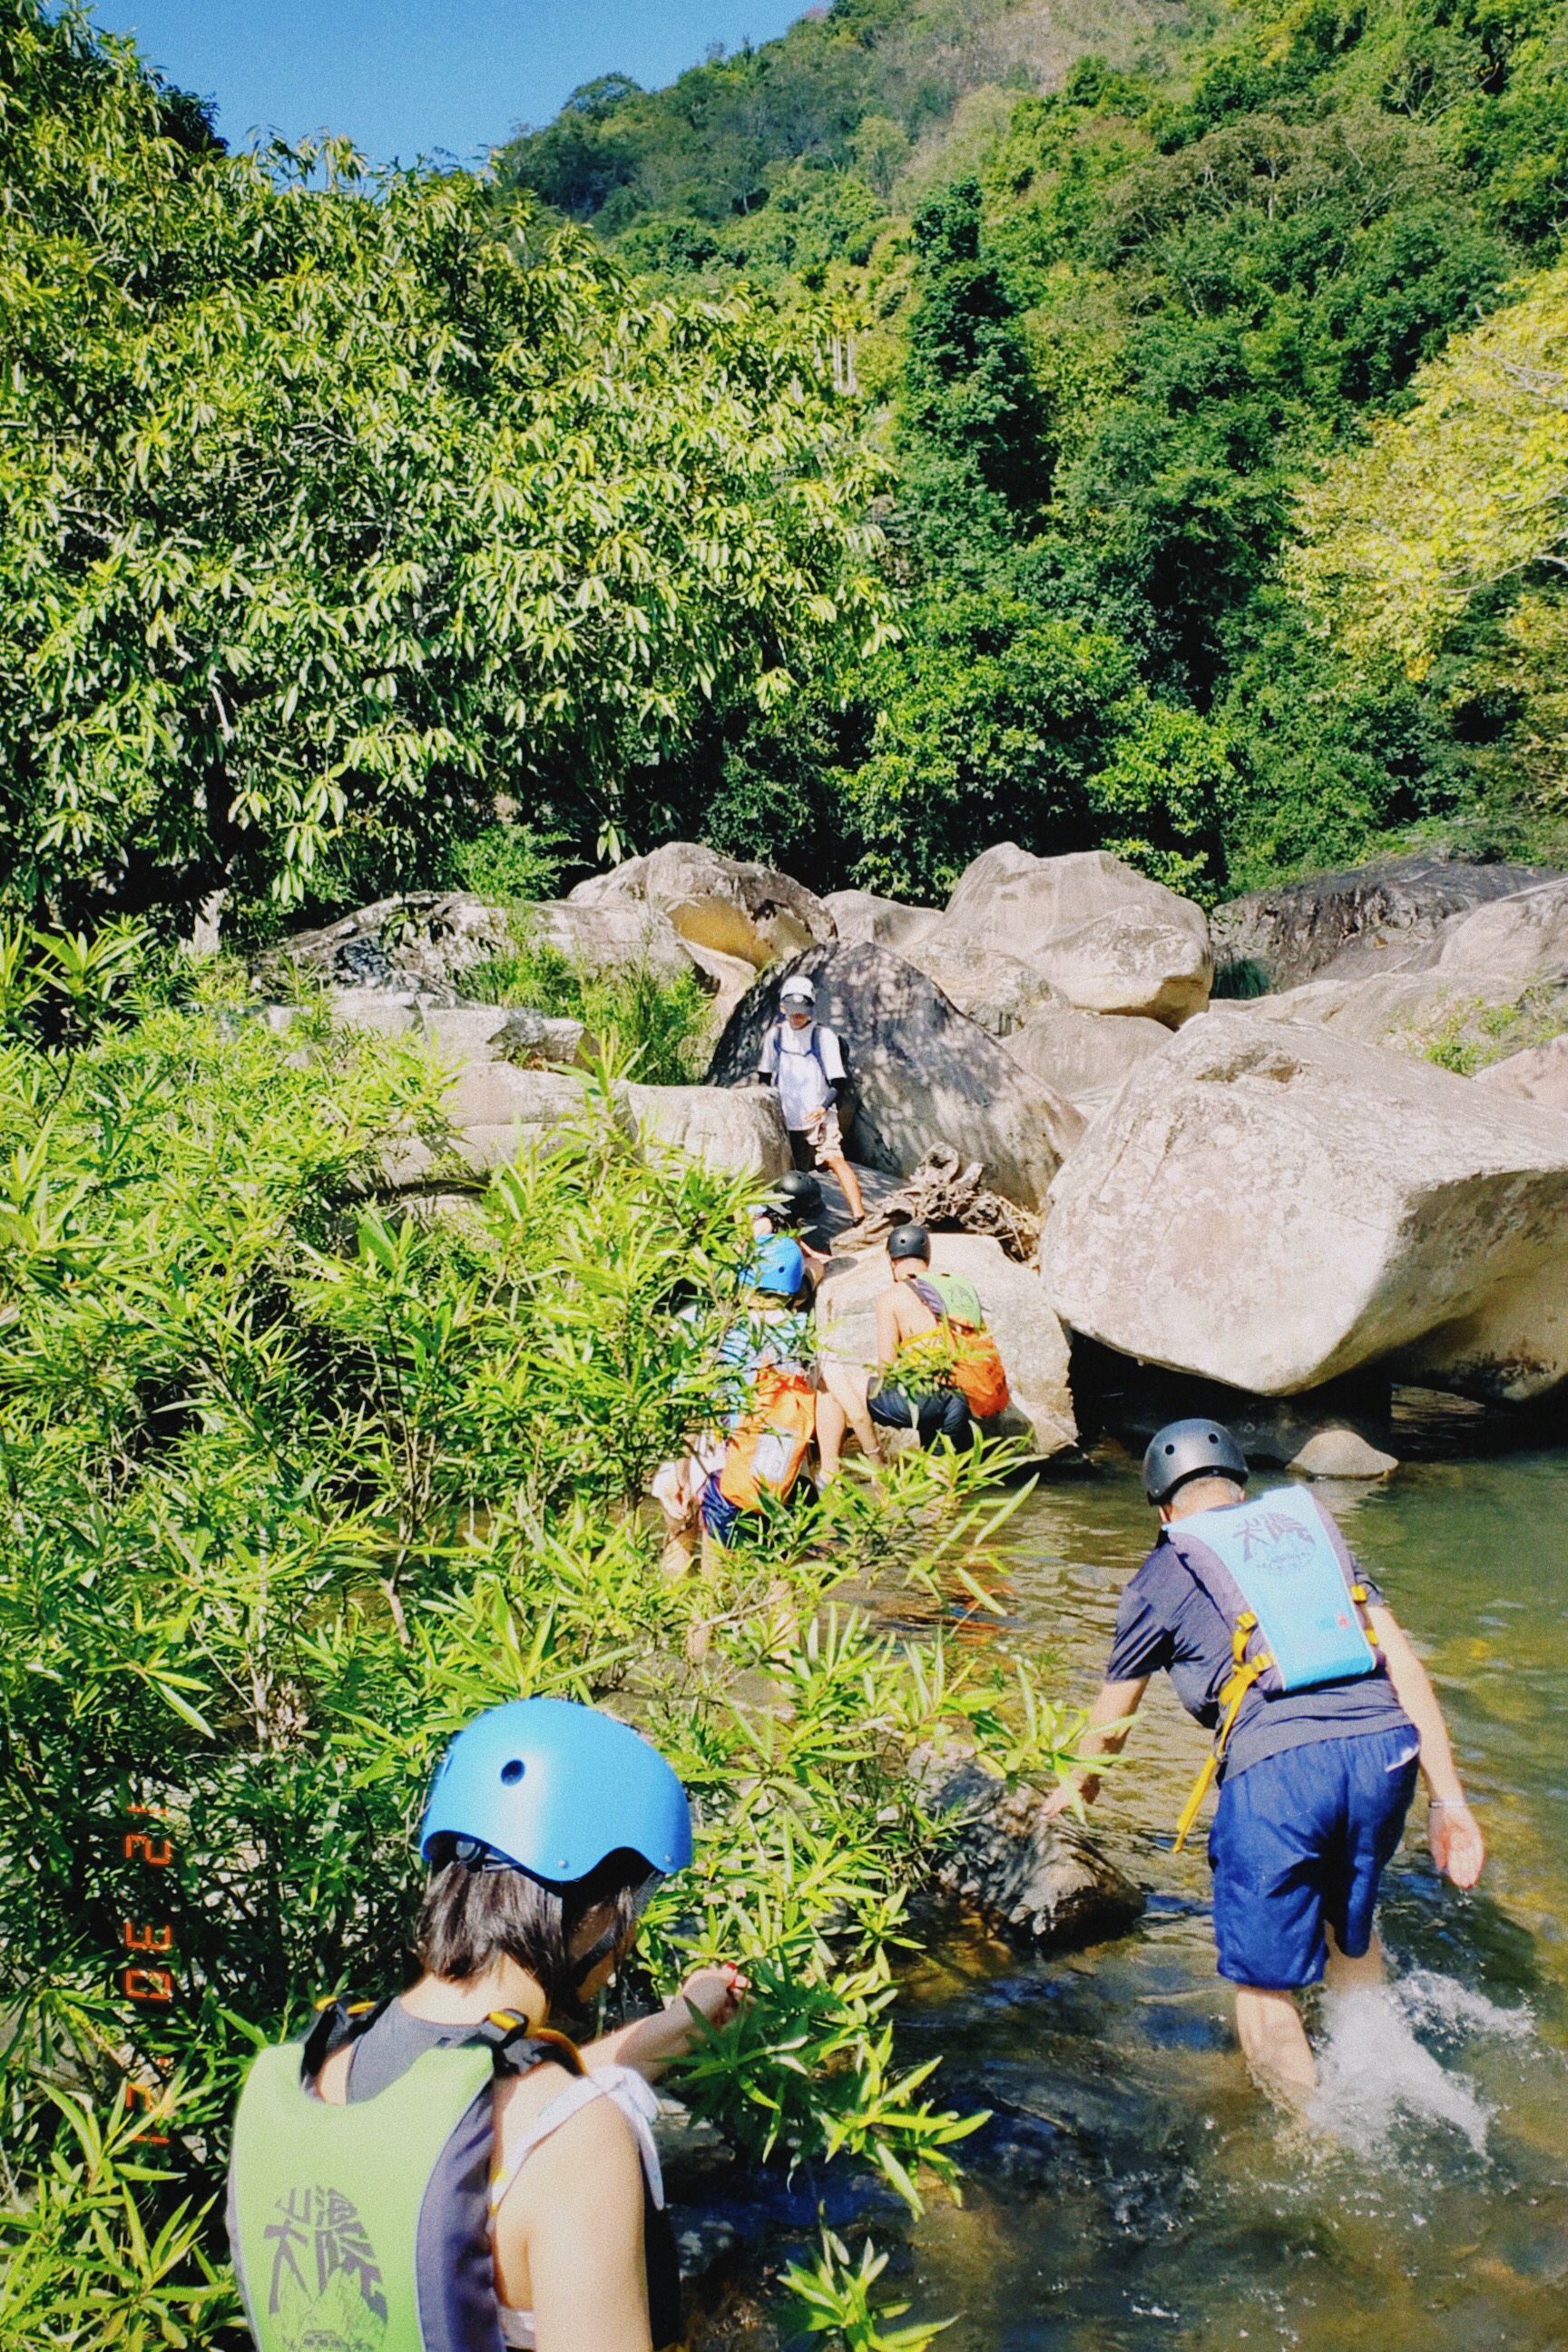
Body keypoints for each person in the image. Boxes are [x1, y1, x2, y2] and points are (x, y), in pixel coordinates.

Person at [229, 1698, 743, 2352]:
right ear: (596, 1912)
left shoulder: (313, 2070)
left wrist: (672, 2029)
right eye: (635, 1902)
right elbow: (538, 2125)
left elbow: (469, 2106)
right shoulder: (578, 2144)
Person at [1043, 1418, 1486, 2099]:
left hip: (1281, 1773)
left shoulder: (1163, 1571)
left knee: (1261, 1988)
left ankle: (1313, 2142)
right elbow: (1401, 1665)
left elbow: (1110, 1726)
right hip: (1384, 1752)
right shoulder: (1313, 1540)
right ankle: (1393, 2085)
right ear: (1241, 1491)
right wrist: (1448, 1799)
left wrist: (1070, 1797)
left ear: (1163, 1511)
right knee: (1350, 1934)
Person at [816, 1221, 995, 1480]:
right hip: (963, 1399)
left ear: (892, 1260)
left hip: (926, 1399)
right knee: (941, 1488)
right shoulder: (959, 1288)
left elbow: (886, 1370)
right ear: (927, 1258)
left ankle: (830, 1476)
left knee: (830, 1389)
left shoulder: (893, 1297)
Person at [755, 975, 866, 1227]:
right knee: (793, 1172)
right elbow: (764, 1076)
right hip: (787, 1116)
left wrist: (823, 1107)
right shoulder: (775, 1036)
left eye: (802, 1011)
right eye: (792, 1011)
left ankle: (860, 1216)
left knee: (834, 1158)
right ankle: (792, 1223)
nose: (797, 1017)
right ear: (783, 1008)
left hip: (819, 1114)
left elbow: (838, 1081)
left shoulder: (823, 1036)